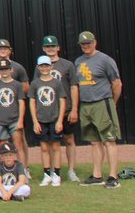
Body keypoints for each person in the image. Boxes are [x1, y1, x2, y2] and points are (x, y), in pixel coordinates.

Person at [73, 30, 123, 188]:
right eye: (83, 44)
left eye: (88, 43)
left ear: (95, 43)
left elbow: (117, 83)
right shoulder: (78, 61)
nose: (86, 46)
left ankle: (113, 177)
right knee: (94, 142)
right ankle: (97, 175)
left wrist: (112, 102)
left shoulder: (105, 60)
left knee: (109, 140)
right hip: (86, 105)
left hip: (102, 102)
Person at [38, 34, 80, 183]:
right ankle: (52, 171)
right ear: (43, 48)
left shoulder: (67, 65)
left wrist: (74, 109)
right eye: (47, 46)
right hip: (48, 111)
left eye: (53, 46)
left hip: (66, 109)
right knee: (50, 143)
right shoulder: (40, 66)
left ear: (58, 48)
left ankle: (71, 170)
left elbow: (74, 87)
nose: (50, 49)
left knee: (69, 139)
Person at [30, 55, 67, 187]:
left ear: (51, 66)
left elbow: (62, 101)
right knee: (44, 147)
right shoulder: (35, 83)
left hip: (54, 119)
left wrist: (60, 120)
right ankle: (47, 174)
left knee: (56, 146)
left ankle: (56, 174)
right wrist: (35, 121)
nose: (44, 68)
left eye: (47, 65)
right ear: (38, 67)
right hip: (41, 120)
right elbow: (32, 102)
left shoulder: (57, 83)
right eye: (42, 66)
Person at [0, 59, 28, 172]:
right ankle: (5, 171)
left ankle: (23, 171)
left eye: (6, 69)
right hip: (0, 120)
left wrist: (20, 120)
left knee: (18, 146)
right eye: (1, 69)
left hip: (14, 119)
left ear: (11, 69)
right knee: (3, 148)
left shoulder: (17, 85)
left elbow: (21, 103)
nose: (4, 71)